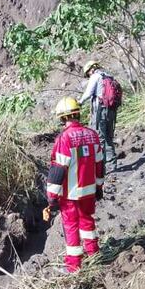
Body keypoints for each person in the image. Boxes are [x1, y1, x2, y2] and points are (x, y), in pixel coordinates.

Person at [43, 97, 105, 273]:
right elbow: (100, 165)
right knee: (87, 222)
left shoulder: (64, 139)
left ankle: (73, 266)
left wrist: (51, 198)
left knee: (71, 227)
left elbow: (57, 170)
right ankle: (94, 254)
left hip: (70, 194)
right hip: (89, 191)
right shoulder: (92, 135)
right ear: (78, 113)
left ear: (63, 118)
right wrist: (99, 187)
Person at [78, 60, 118, 172]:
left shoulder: (95, 76)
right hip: (111, 110)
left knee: (99, 138)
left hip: (100, 111)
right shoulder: (109, 76)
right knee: (109, 136)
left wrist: (80, 102)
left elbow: (89, 93)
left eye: (88, 74)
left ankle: (101, 167)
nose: (88, 75)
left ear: (91, 69)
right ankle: (112, 163)